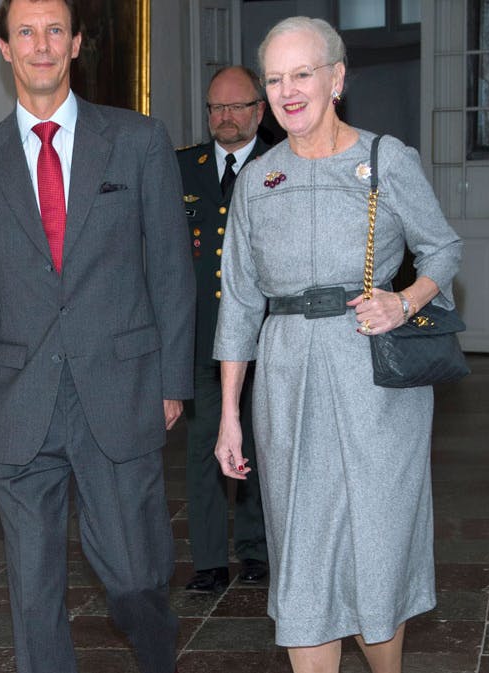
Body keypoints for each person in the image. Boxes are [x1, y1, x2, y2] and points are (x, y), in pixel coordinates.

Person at [0, 1, 195, 672]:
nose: (41, 44)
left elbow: (170, 267)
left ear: (74, 43)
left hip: (123, 387)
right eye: (25, 32)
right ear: (5, 49)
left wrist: (172, 379)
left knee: (135, 577)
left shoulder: (138, 140)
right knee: (33, 595)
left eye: (54, 30)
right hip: (23, 401)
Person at [211, 17, 462, 673]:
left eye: (302, 74)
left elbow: (444, 248)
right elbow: (238, 299)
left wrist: (403, 299)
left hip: (375, 377)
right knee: (305, 546)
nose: (289, 92)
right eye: (275, 79)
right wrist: (231, 415)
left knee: (376, 543)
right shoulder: (258, 181)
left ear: (337, 78)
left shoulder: (386, 159)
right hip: (287, 380)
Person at [176, 65, 270, 594]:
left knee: (258, 444)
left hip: (262, 337)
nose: (225, 117)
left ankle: (257, 550)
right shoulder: (181, 169)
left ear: (259, 110)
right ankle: (209, 560)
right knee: (203, 448)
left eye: (237, 107)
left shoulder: (279, 165)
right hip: (201, 340)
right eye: (216, 107)